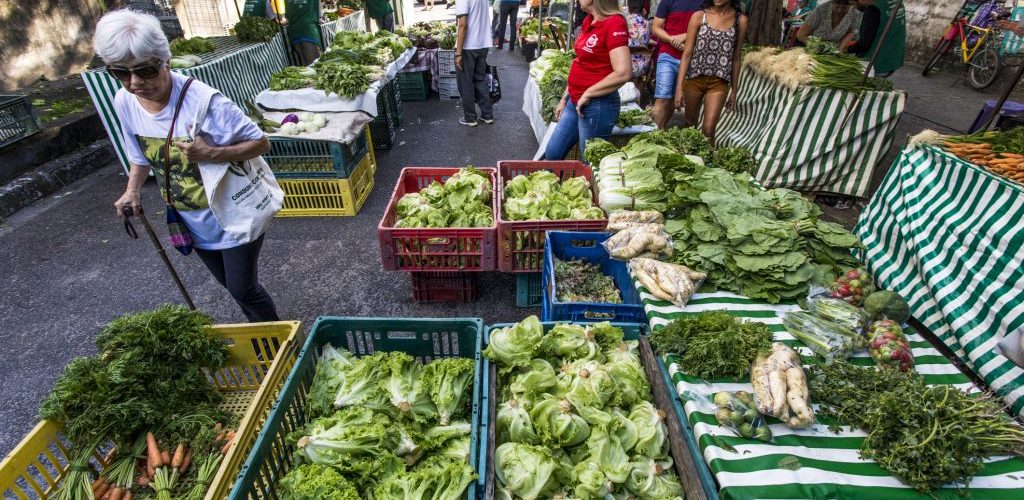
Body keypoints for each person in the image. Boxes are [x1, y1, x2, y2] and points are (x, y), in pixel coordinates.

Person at [96, 10, 280, 322]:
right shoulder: (124, 101)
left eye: (145, 70)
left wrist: (211, 154)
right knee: (230, 286)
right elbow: (140, 155)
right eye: (121, 74)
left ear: (165, 60)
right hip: (189, 219)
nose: (135, 83)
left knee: (243, 288)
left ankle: (280, 343)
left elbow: (262, 143)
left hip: (231, 214)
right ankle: (263, 336)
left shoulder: (206, 102)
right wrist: (132, 191)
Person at [544, 0, 632, 160]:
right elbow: (581, 62)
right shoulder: (589, 20)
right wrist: (565, 97)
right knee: (553, 153)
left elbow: (623, 72)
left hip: (597, 106)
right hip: (575, 101)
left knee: (589, 163)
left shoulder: (614, 23)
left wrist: (589, 93)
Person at [674, 0, 747, 144]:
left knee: (708, 129)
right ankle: (688, 160)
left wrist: (734, 91)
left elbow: (736, 58)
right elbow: (687, 54)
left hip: (719, 83)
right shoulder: (699, 16)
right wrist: (679, 88)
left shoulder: (740, 20)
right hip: (694, 78)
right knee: (690, 126)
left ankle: (707, 163)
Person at [651, 0, 703, 129]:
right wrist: (672, 39)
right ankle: (654, 136)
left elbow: (710, 25)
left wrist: (686, 35)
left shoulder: (707, 3)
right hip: (667, 55)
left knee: (676, 100)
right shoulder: (668, 1)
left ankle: (662, 131)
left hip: (694, 58)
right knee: (662, 98)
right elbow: (656, 27)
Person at [455, 0, 496, 126]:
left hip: (469, 46)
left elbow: (463, 24)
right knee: (480, 79)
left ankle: (470, 118)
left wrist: (458, 52)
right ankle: (487, 115)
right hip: (483, 43)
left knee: (465, 82)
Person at [248, 0, 322, 66]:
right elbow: (319, 16)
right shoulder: (264, 2)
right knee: (315, 63)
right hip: (309, 31)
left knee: (305, 64)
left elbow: (287, 17)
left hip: (294, 33)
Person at [845, 0, 905, 77]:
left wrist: (846, 49)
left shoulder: (873, 9)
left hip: (875, 65)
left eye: (853, 3)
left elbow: (863, 45)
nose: (854, 7)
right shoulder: (896, 2)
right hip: (893, 61)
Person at [796, 0, 861, 47]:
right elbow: (801, 35)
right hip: (811, 48)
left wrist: (840, 49)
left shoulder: (854, 13)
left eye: (845, 8)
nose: (839, 10)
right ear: (832, 2)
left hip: (832, 51)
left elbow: (850, 32)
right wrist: (818, 46)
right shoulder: (821, 10)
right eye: (837, 6)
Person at [627, 0, 654, 77]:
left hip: (626, 64)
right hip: (642, 66)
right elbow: (645, 42)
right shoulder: (647, 23)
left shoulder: (624, 21)